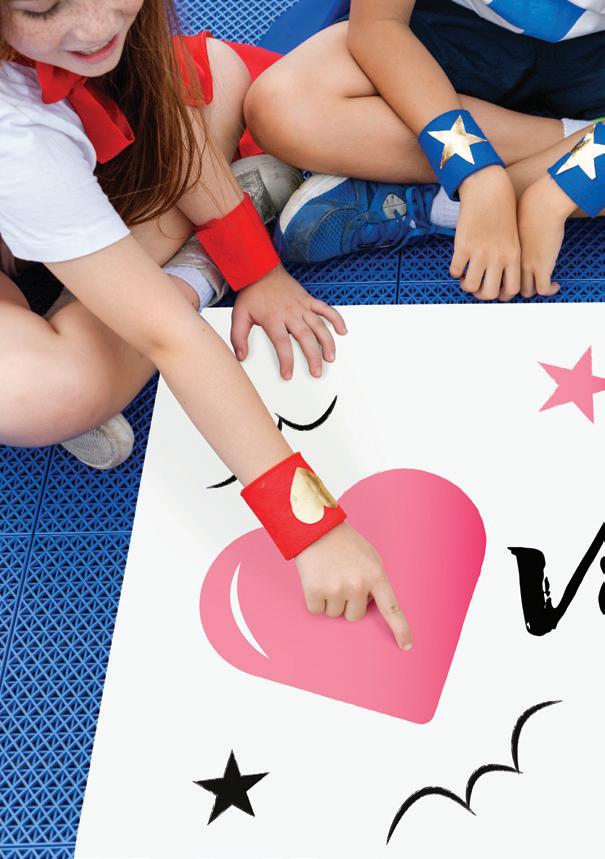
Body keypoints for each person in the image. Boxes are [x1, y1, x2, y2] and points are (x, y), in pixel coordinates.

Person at [0, 0, 412, 646]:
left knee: (217, 76)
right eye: (41, 7)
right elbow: (170, 336)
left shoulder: (99, 47)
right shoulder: (17, 136)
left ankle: (168, 274)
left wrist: (257, 268)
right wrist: (311, 529)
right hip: (37, 184)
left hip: (86, 169)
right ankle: (191, 270)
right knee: (46, 391)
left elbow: (171, 116)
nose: (96, 24)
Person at [244, 0, 605, 301]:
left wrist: (555, 193)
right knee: (282, 107)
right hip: (458, 26)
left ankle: (435, 206)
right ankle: (577, 140)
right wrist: (473, 172)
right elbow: (380, 25)